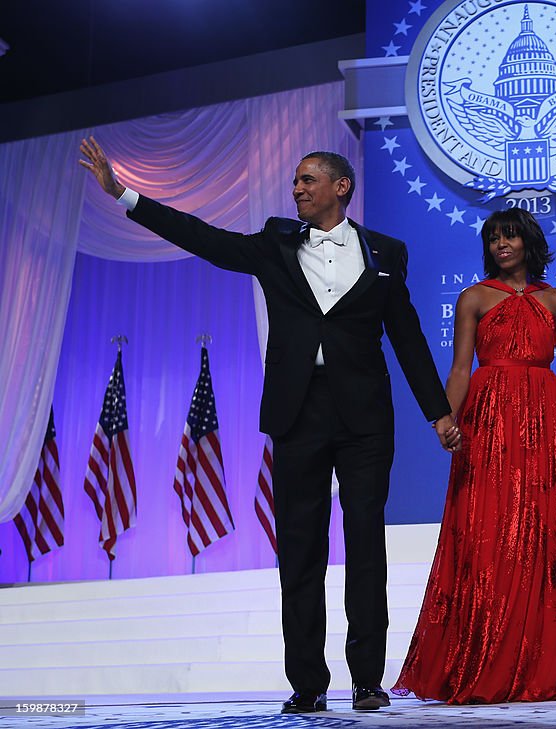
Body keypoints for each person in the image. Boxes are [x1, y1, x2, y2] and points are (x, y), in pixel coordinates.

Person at [78, 137, 461, 713]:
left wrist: (438, 412)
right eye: (295, 181)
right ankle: (307, 684)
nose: (297, 189)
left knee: (366, 548)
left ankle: (367, 681)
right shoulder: (276, 245)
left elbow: (406, 336)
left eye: (309, 180)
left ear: (341, 187)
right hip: (296, 414)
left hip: (364, 419)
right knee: (300, 549)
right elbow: (206, 240)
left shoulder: (386, 252)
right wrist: (126, 195)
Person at [392, 208, 556, 704]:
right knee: (484, 536)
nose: (501, 245)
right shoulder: (474, 297)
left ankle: (537, 667)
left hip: (543, 424)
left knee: (539, 541)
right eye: (493, 238)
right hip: (487, 423)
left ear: (528, 242)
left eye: (509, 236)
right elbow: (461, 368)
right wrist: (446, 419)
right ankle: (478, 660)